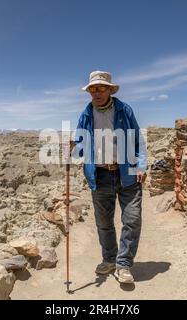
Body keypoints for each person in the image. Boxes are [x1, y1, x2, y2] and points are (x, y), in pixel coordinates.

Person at [71, 71, 147, 284]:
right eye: (93, 89)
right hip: (100, 175)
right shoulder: (86, 114)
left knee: (132, 220)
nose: (96, 92)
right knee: (104, 223)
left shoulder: (124, 110)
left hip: (127, 173)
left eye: (101, 88)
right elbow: (80, 147)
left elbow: (137, 140)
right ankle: (110, 259)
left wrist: (141, 165)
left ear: (109, 90)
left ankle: (123, 265)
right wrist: (73, 147)